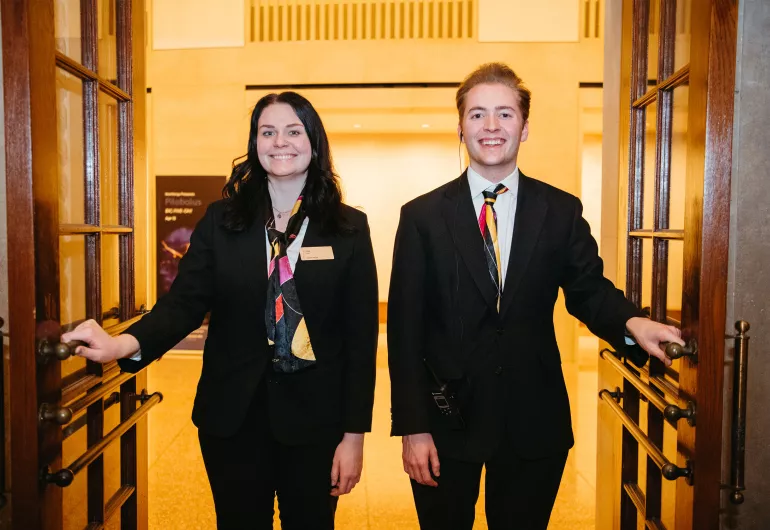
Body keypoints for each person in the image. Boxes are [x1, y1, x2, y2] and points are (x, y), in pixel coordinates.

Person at [62, 92, 379, 530]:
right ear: (255, 143)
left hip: (316, 423)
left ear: (314, 142)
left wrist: (353, 435)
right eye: (268, 132)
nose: (280, 142)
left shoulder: (347, 228)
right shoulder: (222, 220)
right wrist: (121, 343)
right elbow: (185, 303)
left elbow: (361, 340)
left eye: (293, 131)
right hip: (233, 418)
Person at [386, 63, 683, 530]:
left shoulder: (559, 210)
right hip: (447, 420)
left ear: (524, 128)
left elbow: (588, 291)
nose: (491, 126)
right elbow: (404, 331)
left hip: (533, 418)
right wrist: (413, 427)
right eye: (478, 114)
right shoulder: (422, 216)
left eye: (505, 114)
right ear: (460, 126)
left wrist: (634, 323)